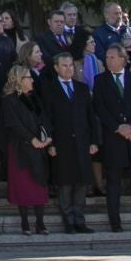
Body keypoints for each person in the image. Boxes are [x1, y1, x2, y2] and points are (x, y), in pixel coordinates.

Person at [92, 44, 131, 231]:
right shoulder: (100, 80)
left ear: (122, 59)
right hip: (114, 138)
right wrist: (118, 127)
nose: (108, 60)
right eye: (107, 57)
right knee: (113, 182)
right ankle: (115, 222)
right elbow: (100, 108)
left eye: (112, 57)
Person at [41, 50, 99, 233]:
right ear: (57, 68)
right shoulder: (49, 89)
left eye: (71, 65)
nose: (68, 69)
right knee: (65, 183)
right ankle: (68, 220)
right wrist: (50, 143)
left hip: (82, 142)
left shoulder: (81, 88)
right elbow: (47, 118)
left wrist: (94, 141)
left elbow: (91, 117)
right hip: (61, 143)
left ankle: (79, 220)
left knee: (81, 182)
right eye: (64, 66)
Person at [1, 66, 51, 236]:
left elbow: (44, 119)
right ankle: (25, 222)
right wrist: (31, 139)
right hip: (20, 147)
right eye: (28, 77)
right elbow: (14, 124)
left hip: (38, 148)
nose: (32, 80)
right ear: (19, 80)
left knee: (39, 183)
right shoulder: (10, 100)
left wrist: (46, 137)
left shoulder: (35, 98)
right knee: (23, 184)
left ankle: (40, 222)